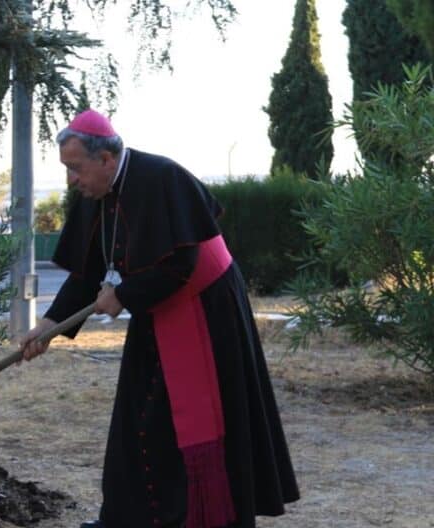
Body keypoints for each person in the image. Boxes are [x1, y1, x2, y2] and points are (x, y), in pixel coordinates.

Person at [19, 109, 299, 528]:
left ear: (106, 160)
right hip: (156, 306)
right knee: (139, 417)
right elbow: (85, 274)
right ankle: (125, 519)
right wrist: (48, 325)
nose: (72, 180)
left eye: (76, 169)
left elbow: (180, 264)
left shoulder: (163, 178)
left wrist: (124, 296)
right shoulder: (96, 196)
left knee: (195, 423)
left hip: (205, 312)